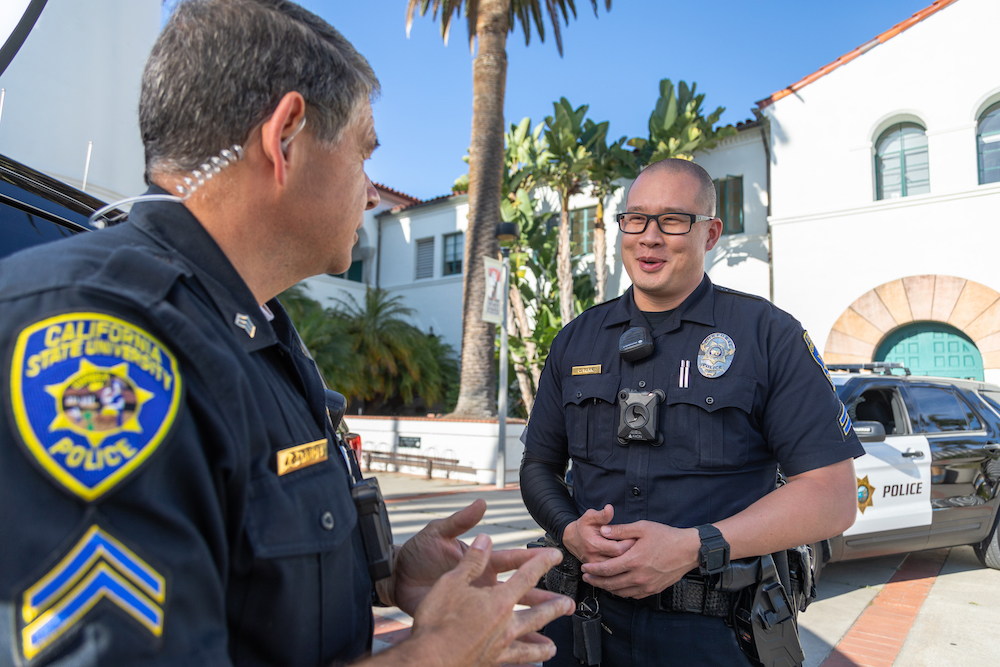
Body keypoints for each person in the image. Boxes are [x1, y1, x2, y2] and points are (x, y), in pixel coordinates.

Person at [0, 1, 573, 665]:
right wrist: (438, 654)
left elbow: (245, 566)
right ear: (286, 137)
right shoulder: (104, 337)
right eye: (363, 153)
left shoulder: (252, 325)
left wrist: (384, 574)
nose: (370, 192)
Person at [520, 158, 863, 666]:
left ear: (711, 233)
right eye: (636, 219)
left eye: (673, 220)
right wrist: (569, 529)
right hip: (583, 623)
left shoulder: (767, 335)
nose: (649, 237)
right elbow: (538, 466)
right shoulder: (576, 339)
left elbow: (832, 497)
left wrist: (694, 546)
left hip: (712, 634)